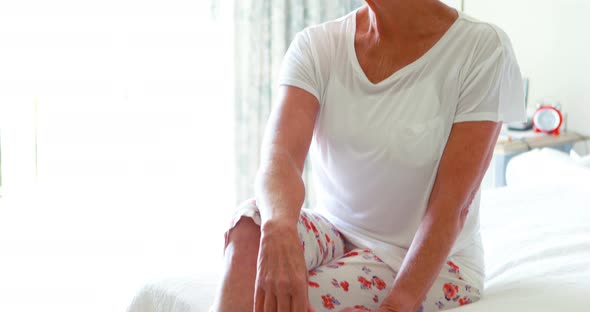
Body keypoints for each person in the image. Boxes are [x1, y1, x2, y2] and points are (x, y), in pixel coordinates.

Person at [212, 0, 525, 311]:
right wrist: (278, 228)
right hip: (335, 230)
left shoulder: (482, 49)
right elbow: (280, 159)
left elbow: (453, 205)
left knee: (289, 299)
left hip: (430, 262)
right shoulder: (318, 44)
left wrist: (396, 305)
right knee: (250, 224)